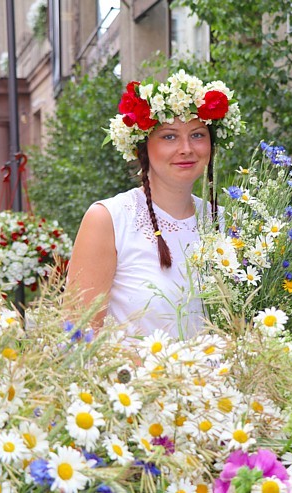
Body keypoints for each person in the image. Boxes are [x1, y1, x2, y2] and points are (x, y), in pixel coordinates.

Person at [66, 70, 244, 339]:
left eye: (197, 135)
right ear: (142, 148)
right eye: (169, 136)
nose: (186, 148)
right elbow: (77, 336)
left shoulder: (225, 222)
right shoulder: (109, 220)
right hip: (136, 379)